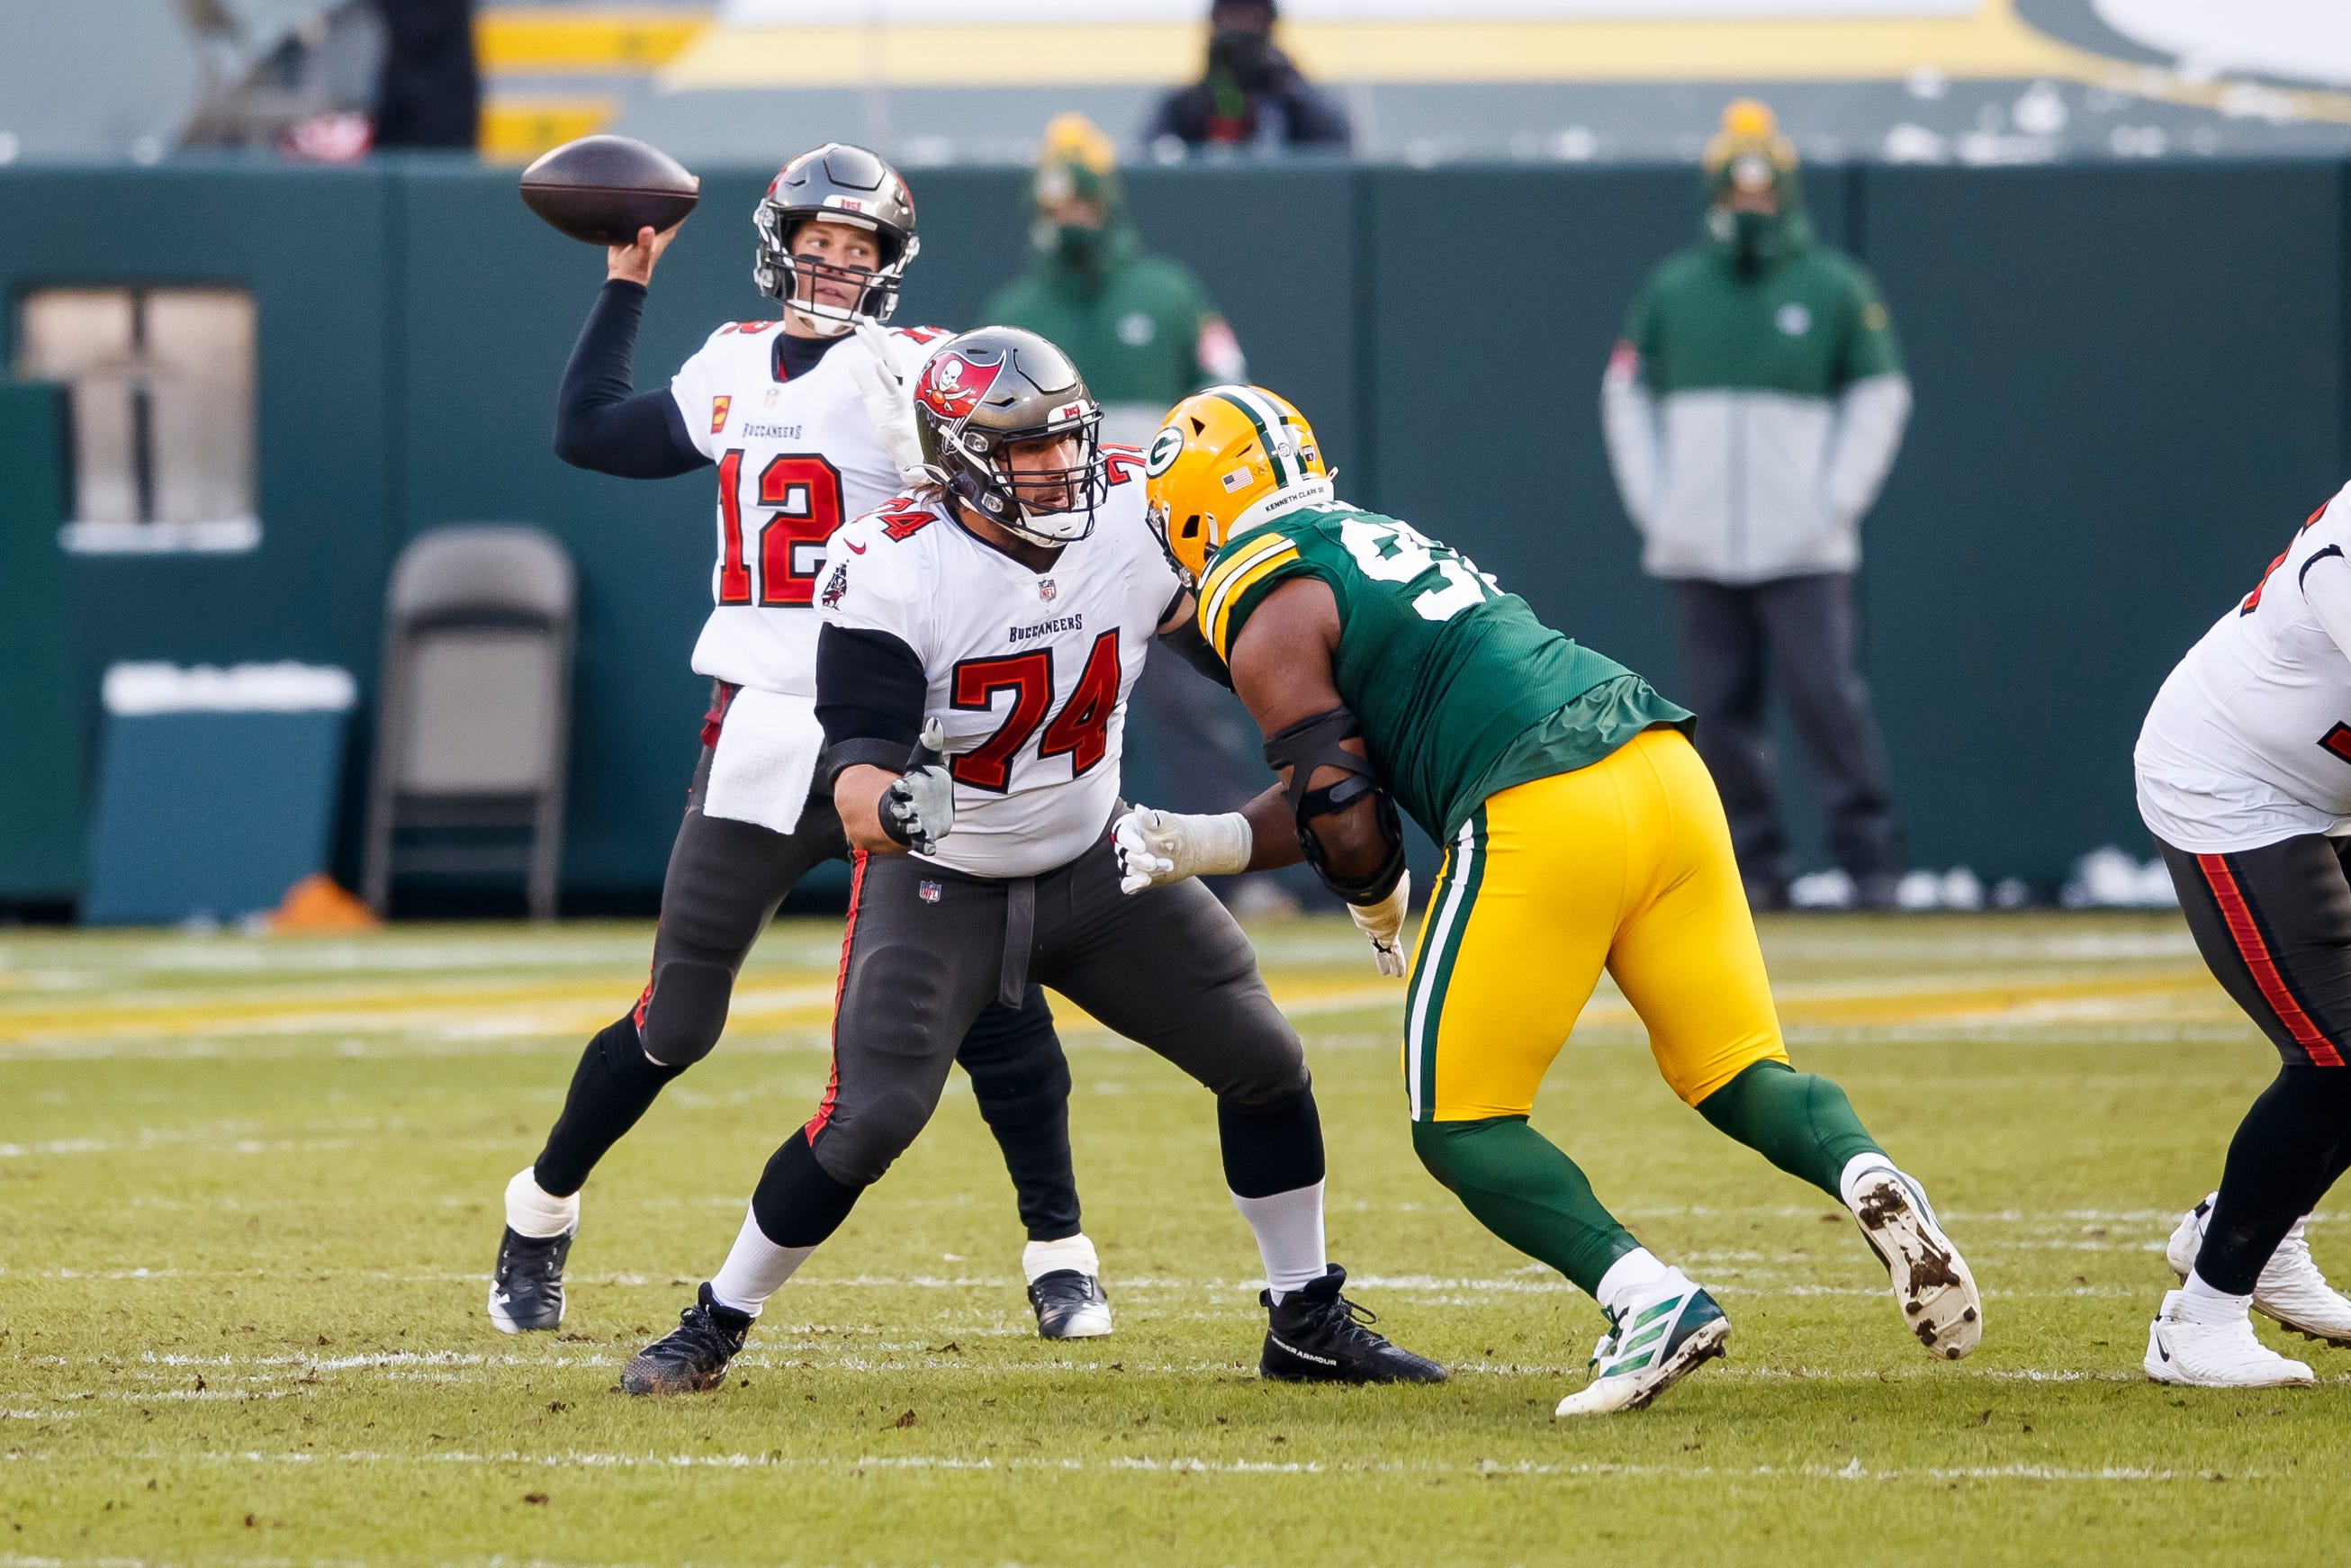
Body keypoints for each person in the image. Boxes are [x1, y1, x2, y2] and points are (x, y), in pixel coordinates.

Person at [1118, 384, 1980, 1416]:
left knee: (1460, 1122)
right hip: (1657, 763)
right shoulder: (1369, 538)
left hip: (1537, 802)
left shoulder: (1259, 589)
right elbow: (1343, 768)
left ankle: (1646, 1299)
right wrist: (1208, 842)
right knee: (1736, 1068)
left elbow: (1338, 800)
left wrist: (1377, 899)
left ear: (1194, 513)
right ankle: (1864, 1169)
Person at [615, 329, 1443, 1397]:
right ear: (958, 460)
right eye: (1024, 450)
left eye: (1066, 440)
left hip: (1097, 860)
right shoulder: (889, 563)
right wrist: (898, 806)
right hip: (943, 875)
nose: (1059, 468)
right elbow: (852, 774)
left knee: (1264, 1059)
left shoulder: (1134, 519)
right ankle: (714, 1321)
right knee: (867, 1119)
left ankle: (1303, 1316)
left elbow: (1240, 647)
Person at [490, 144, 1114, 1347]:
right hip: (765, 719)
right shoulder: (729, 360)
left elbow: (1027, 467)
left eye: (858, 251)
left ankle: (1060, 1250)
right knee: (678, 1016)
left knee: (994, 994)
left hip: (897, 718)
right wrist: (625, 282)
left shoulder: (922, 365)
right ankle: (542, 1205)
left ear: (889, 267)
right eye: (820, 246)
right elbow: (588, 431)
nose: (834, 268)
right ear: (781, 243)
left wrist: (940, 433)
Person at [1601, 99, 1912, 911]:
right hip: (1698, 546)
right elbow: (1625, 397)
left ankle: (1868, 862)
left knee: (1827, 701)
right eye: (1736, 197)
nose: (1750, 211)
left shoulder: (1835, 285)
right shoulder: (1672, 289)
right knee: (1719, 718)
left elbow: (1881, 397)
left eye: (1763, 195)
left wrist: (1832, 504)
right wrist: (1660, 508)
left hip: (1805, 548)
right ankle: (1753, 867)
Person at [982, 113, 1288, 913]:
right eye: (1053, 210)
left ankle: (1235, 867)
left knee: (1198, 704)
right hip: (1044, 549)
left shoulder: (1168, 293)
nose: (1067, 225)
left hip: (1161, 540)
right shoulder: (1015, 309)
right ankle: (1034, 866)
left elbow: (1228, 395)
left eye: (1079, 206)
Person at [2133, 478, 2351, 1388]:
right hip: (2232, 788)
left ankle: (2248, 1235)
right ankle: (2199, 1317)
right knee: (2341, 1054)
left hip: (2322, 793)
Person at [1143, 0, 1351, 155]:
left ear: (1269, 26)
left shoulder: (1291, 96)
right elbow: (1151, 153)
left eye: (1251, 18)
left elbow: (1338, 147)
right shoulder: (1186, 105)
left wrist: (1286, 86)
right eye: (1231, 16)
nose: (1239, 29)